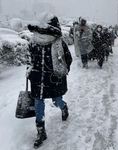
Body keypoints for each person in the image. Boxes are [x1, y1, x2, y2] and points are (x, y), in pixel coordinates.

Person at [26, 14, 72, 149]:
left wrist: (60, 70)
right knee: (38, 105)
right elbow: (29, 60)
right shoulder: (33, 42)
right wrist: (30, 70)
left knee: (57, 101)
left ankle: (64, 107)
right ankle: (41, 132)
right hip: (37, 79)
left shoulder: (59, 43)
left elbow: (67, 60)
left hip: (54, 80)